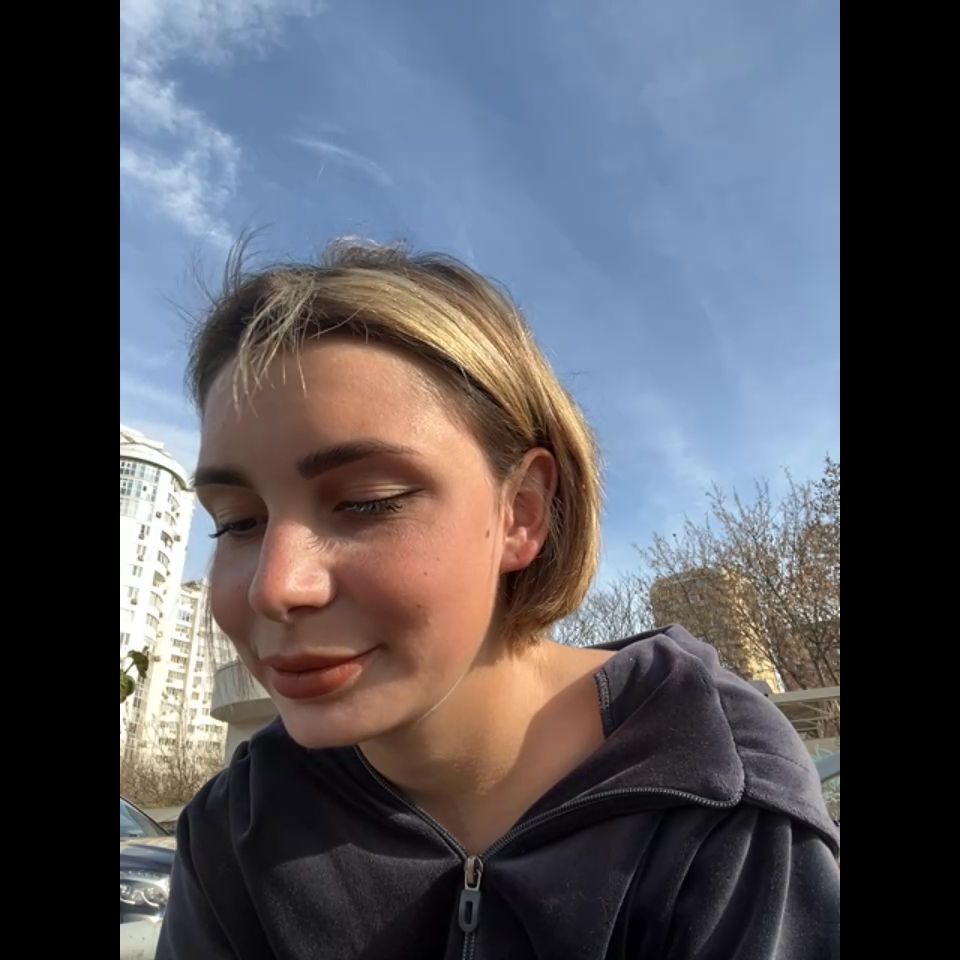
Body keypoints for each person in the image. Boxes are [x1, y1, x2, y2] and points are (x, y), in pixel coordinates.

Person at [157, 240, 839, 959]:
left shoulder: (720, 792)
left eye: (366, 501)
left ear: (521, 513)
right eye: (237, 522)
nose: (275, 586)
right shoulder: (237, 826)